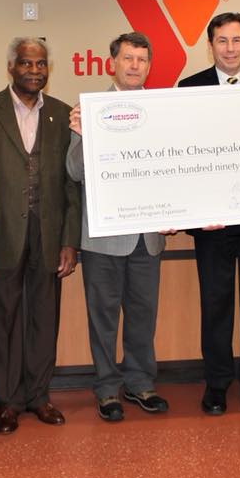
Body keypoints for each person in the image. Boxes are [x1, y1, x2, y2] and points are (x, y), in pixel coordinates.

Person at [0, 37, 81, 434]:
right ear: (11, 67)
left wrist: (70, 241)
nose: (35, 71)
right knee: (3, 319)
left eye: (41, 64)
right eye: (26, 64)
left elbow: (72, 185)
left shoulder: (64, 115)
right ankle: (7, 400)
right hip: (1, 235)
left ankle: (38, 396)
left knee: (44, 318)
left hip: (48, 235)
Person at [177, 12, 240, 415]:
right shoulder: (188, 89)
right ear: (210, 45)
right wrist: (192, 211)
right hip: (212, 224)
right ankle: (216, 383)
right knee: (215, 306)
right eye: (222, 41)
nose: (230, 48)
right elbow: (183, 155)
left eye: (237, 41)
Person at [66, 32, 169, 422]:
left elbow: (174, 166)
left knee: (143, 316)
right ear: (112, 63)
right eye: (127, 58)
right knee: (104, 318)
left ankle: (140, 383)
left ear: (148, 66)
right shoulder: (89, 110)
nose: (134, 66)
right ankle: (107, 388)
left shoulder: (161, 111)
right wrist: (81, 133)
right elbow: (73, 171)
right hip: (104, 239)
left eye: (142, 60)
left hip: (148, 236)